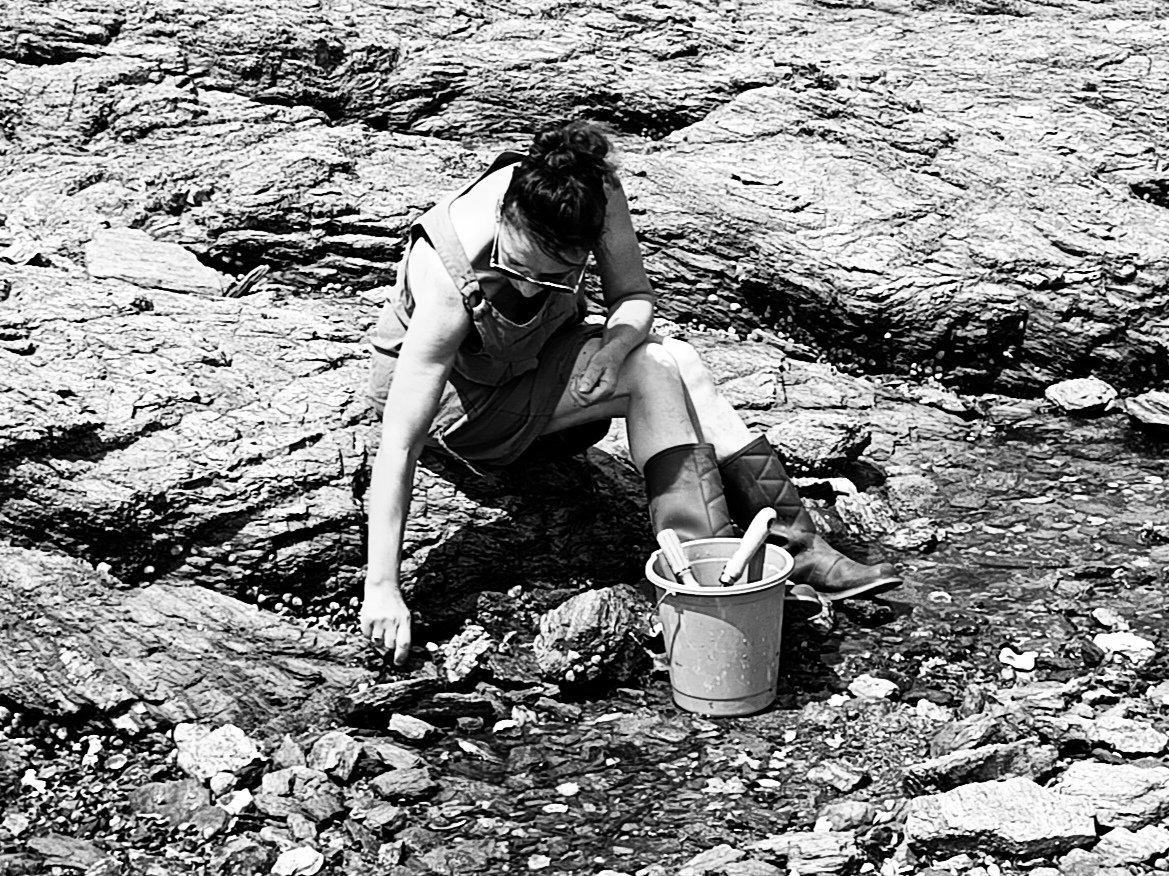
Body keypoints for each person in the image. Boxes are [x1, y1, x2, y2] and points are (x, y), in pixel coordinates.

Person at [361, 120, 901, 665]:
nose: (528, 288)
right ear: (504, 215)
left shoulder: (590, 193)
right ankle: (707, 583)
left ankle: (800, 551)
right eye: (515, 270)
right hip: (460, 406)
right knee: (652, 374)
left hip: (534, 359)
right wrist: (382, 586)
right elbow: (398, 446)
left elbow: (635, 296)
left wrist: (612, 347)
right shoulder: (448, 279)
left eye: (553, 279)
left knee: (675, 358)